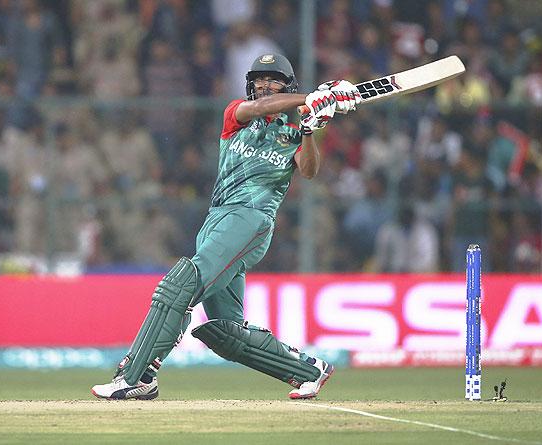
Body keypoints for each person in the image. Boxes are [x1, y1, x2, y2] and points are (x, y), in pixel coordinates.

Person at [92, 53, 361, 400]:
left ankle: (137, 376)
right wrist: (311, 97)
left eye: (273, 80)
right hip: (217, 221)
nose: (264, 85)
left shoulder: (293, 135)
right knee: (226, 332)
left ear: (286, 84)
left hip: (250, 219)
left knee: (180, 286)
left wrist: (309, 130)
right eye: (259, 80)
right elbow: (259, 108)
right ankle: (309, 370)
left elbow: (308, 171)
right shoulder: (236, 115)